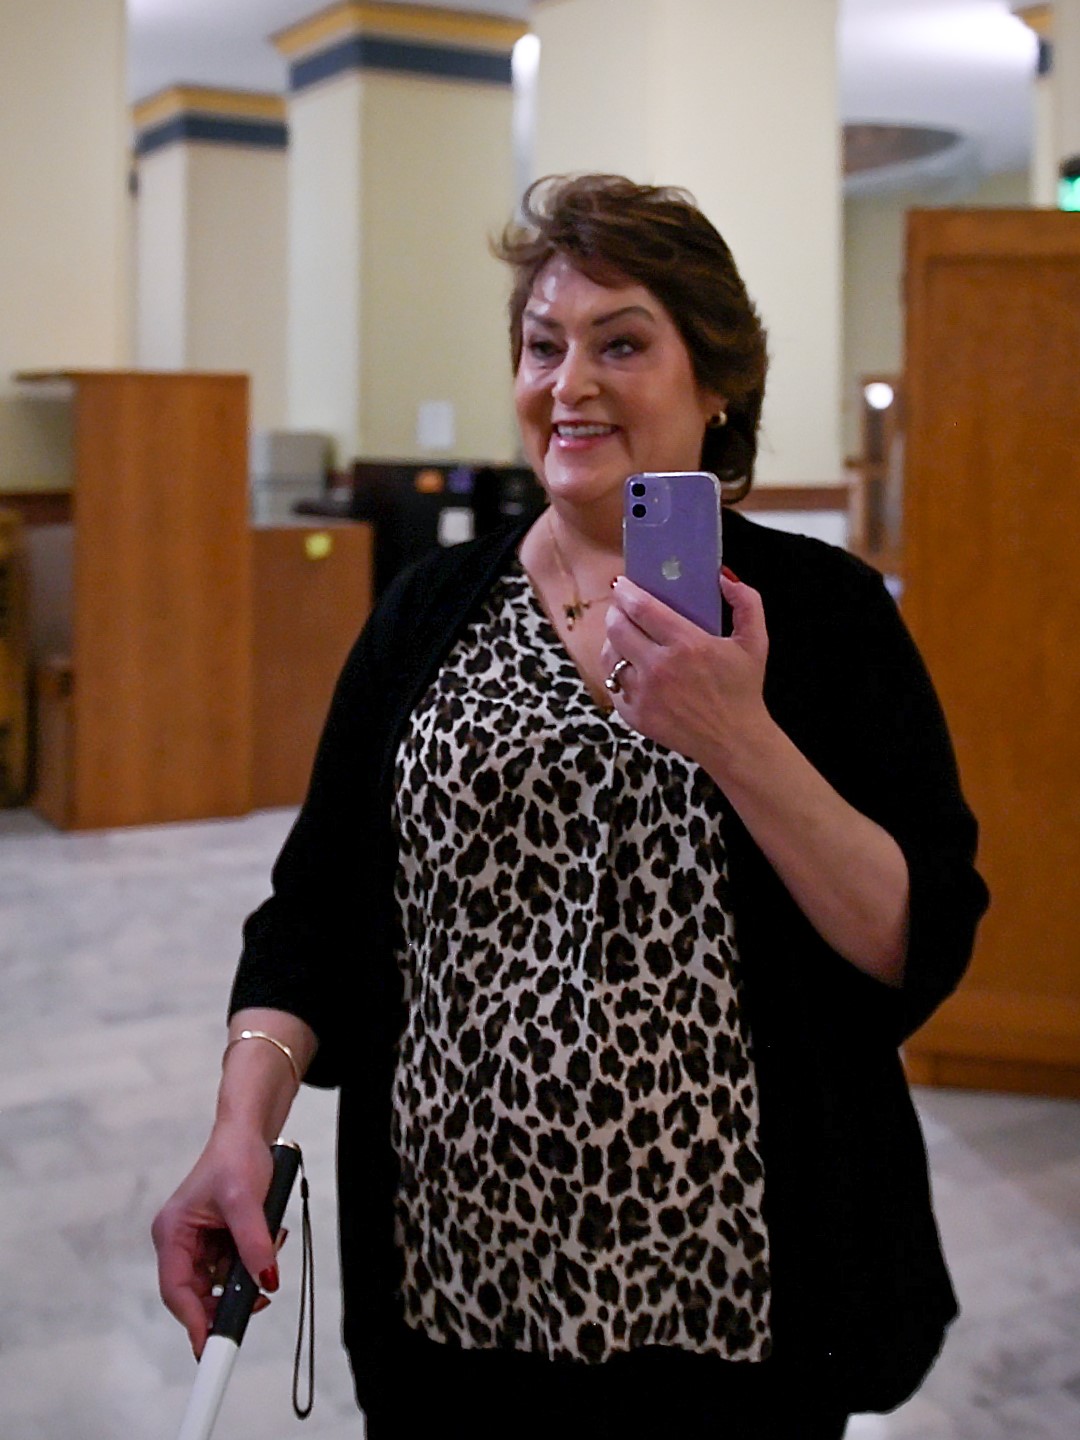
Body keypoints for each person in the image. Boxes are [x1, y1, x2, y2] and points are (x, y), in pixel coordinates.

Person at [153, 174, 989, 1439]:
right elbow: (316, 910)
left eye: (623, 343)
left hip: (739, 1314)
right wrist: (239, 1120)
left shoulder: (823, 619)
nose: (570, 382)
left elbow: (914, 942)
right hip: (450, 1295)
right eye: (544, 345)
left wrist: (740, 739)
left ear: (718, 383)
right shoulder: (426, 614)